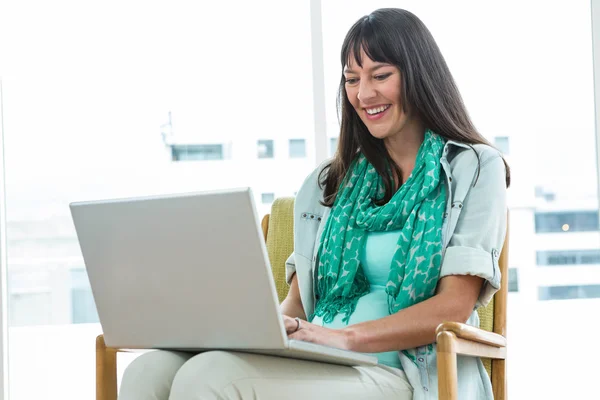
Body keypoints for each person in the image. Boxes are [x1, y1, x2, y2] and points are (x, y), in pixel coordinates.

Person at [119, 7, 509, 400]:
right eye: (352, 80)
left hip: (406, 373)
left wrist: (342, 337)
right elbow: (298, 304)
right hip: (322, 359)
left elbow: (453, 307)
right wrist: (250, 329)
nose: (363, 94)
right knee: (148, 370)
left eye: (381, 75)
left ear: (419, 76)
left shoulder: (472, 168)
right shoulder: (329, 182)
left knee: (210, 376)